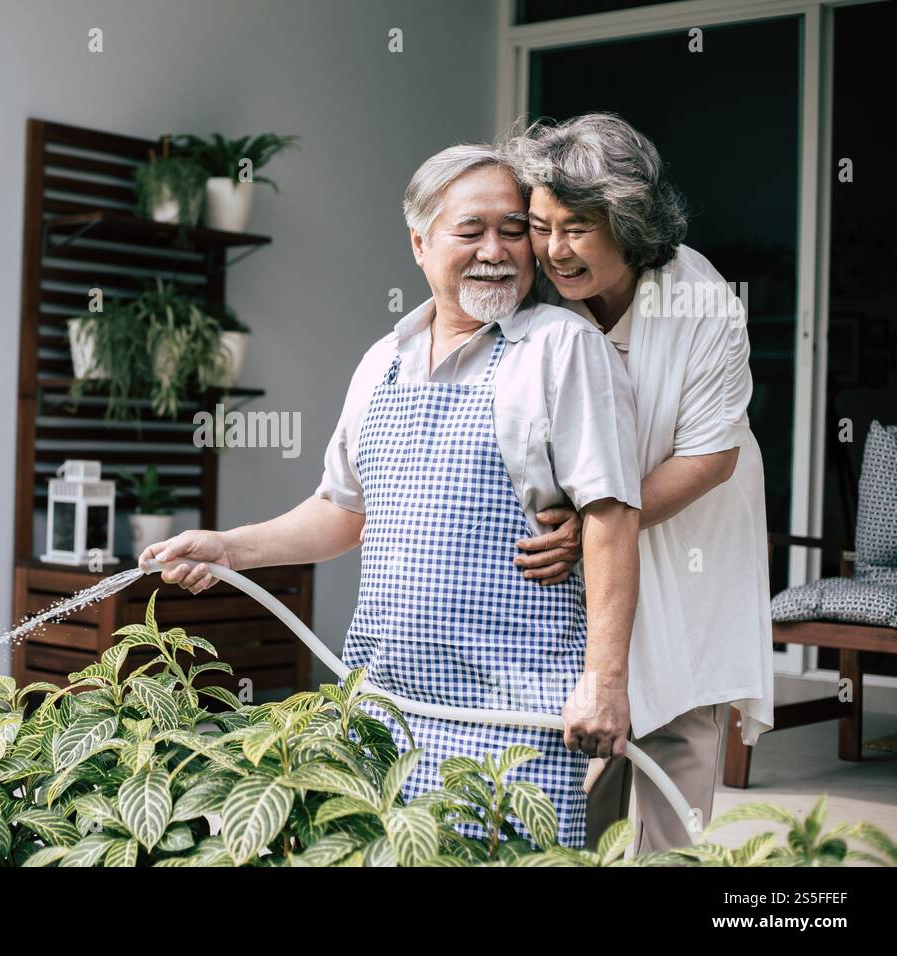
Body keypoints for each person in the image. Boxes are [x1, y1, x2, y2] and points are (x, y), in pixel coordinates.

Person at [141, 141, 642, 849]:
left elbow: (612, 516)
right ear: (420, 242)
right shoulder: (383, 361)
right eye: (470, 231)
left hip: (514, 717)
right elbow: (342, 512)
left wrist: (605, 681)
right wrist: (228, 546)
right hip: (383, 710)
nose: (496, 250)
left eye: (512, 229)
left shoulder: (561, 348)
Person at [508, 113, 775, 853]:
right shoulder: (536, 296)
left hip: (689, 523)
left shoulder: (702, 300)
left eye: (578, 228)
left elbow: (710, 457)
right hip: (584, 536)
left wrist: (596, 526)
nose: (553, 250)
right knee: (587, 733)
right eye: (539, 225)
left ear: (628, 221)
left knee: (679, 712)